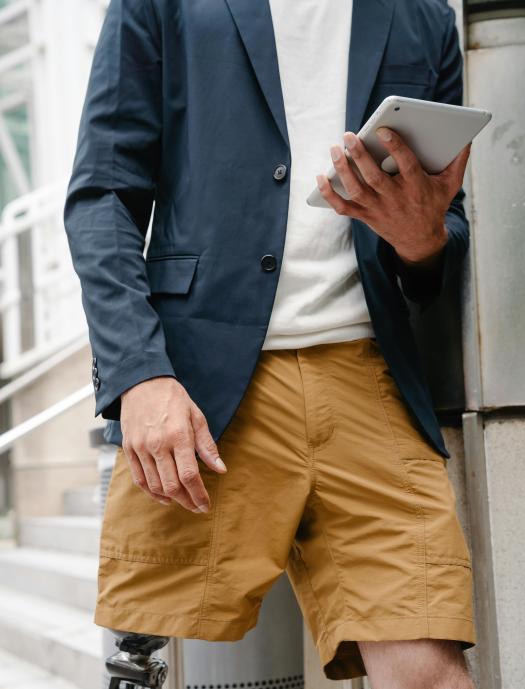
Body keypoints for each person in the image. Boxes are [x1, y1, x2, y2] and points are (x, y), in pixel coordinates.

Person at [64, 0, 477, 686]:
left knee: (430, 671)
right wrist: (139, 374)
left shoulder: (422, 15)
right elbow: (103, 194)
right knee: (151, 664)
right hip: (199, 386)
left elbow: (443, 236)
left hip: (371, 384)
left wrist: (420, 237)